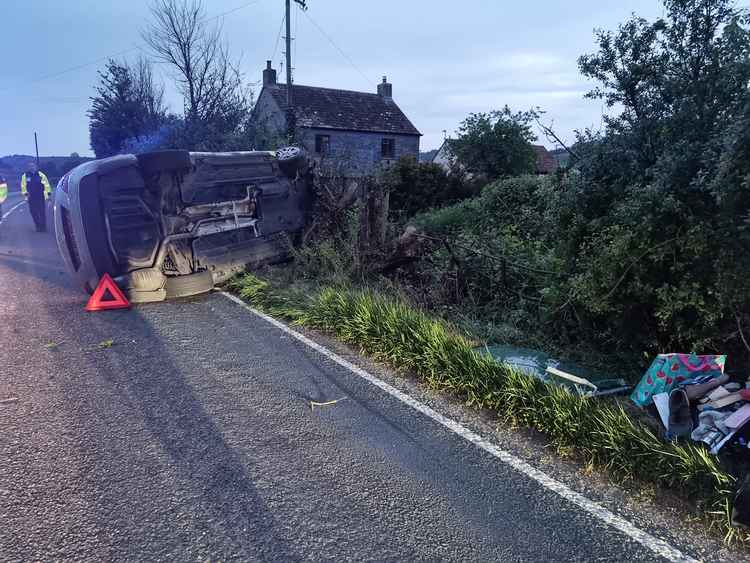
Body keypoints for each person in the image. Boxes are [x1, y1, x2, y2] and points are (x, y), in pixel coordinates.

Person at [20, 162, 51, 232]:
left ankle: (43, 227)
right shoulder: (25, 176)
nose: (31, 167)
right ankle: (38, 226)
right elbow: (23, 186)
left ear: (36, 167)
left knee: (42, 212)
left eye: (33, 166)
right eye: (30, 166)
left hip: (40, 196)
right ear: (28, 167)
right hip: (31, 197)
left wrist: (48, 196)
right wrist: (26, 196)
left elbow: (46, 186)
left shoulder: (41, 175)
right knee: (33, 212)